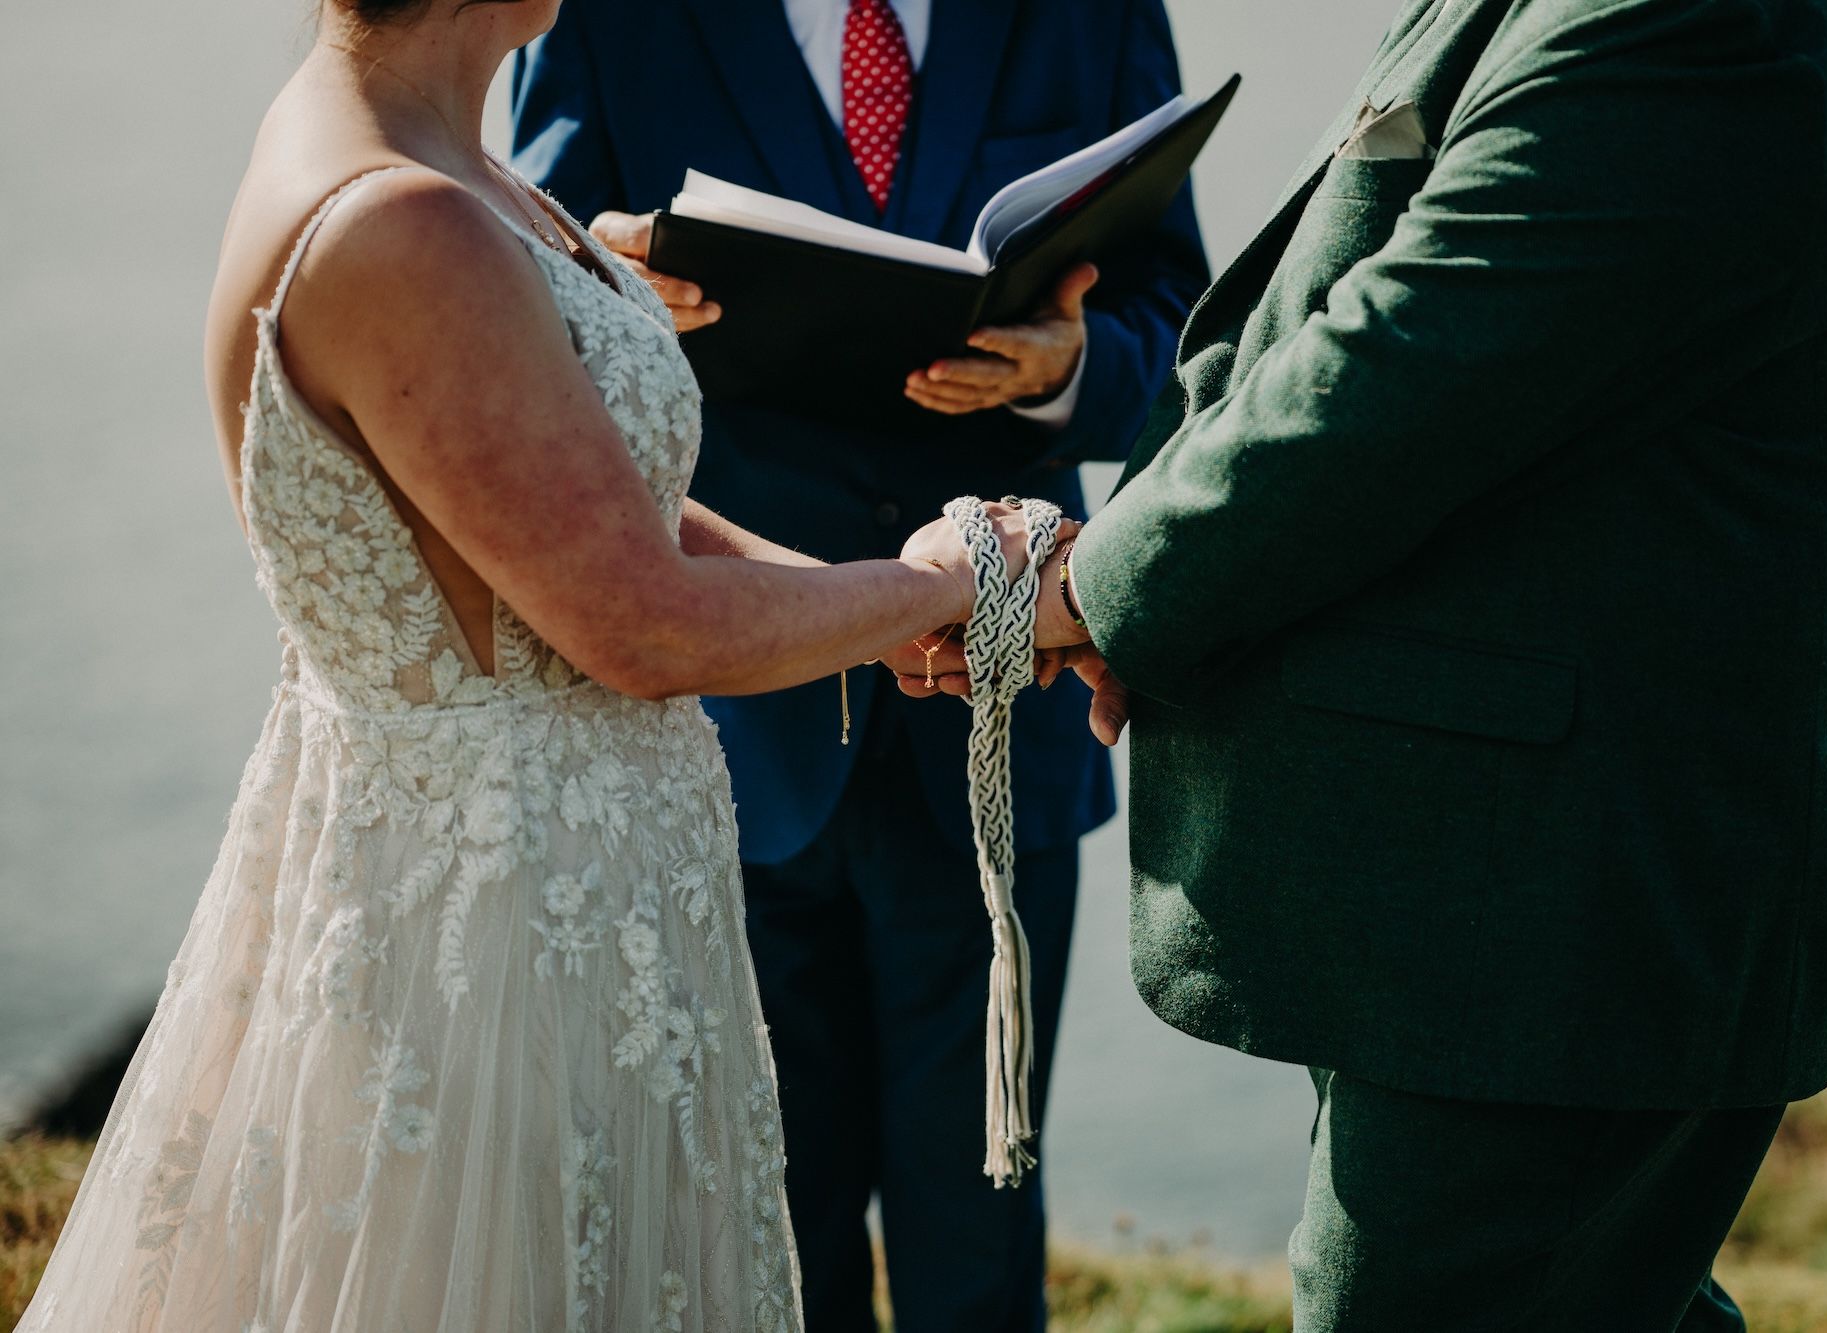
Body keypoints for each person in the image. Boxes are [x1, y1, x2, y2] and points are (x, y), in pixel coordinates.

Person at [15, 0, 1082, 1328]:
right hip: (494, 929)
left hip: (575, 884)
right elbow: (641, 625)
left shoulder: (446, 164)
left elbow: (600, 510)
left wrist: (891, 612)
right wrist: (946, 584)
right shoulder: (404, 221)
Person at [938, 0, 1827, 1326]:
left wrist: (1096, 589)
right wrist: (1129, 583)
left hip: (1565, 911)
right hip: (1485, 900)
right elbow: (1330, 320)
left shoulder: (1695, 22)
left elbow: (1404, 368)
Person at [511, 3, 1206, 1328]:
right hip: (724, 723)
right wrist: (604, 286)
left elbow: (1189, 341)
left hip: (1000, 713)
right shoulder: (597, 15)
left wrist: (1070, 372)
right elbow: (512, 297)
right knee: (763, 1237)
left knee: (980, 1236)